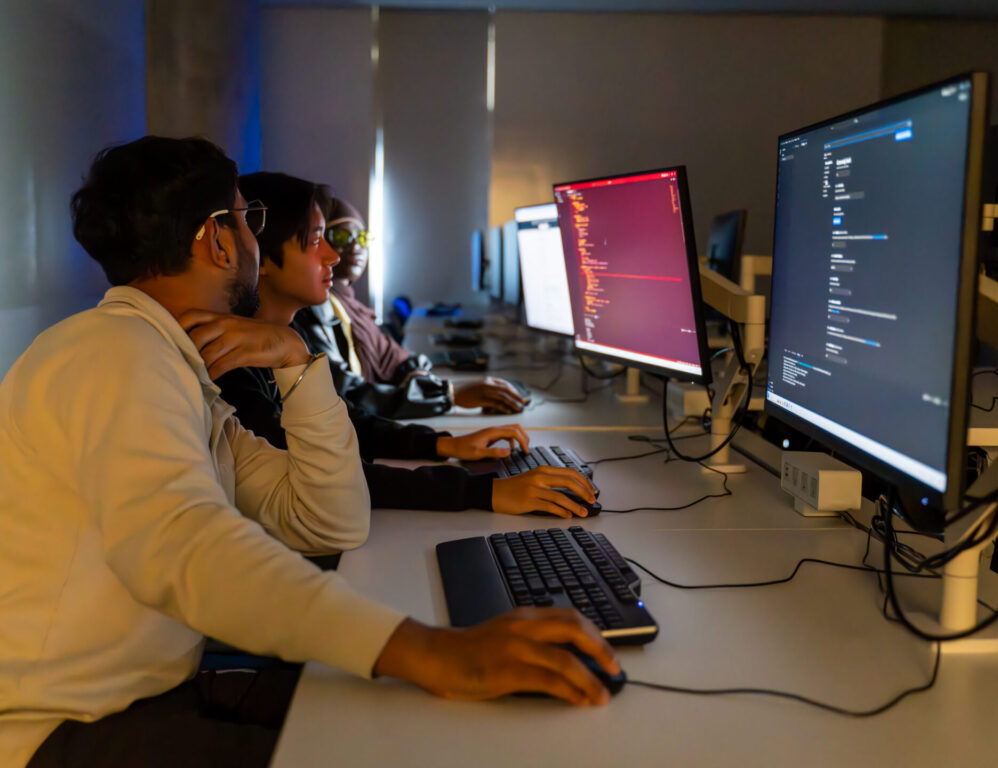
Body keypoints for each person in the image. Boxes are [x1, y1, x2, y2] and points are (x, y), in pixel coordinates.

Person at [0, 137, 619, 768]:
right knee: (415, 746)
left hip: (140, 699)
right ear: (216, 239)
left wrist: (299, 365)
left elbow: (330, 520)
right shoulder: (116, 357)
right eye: (249, 220)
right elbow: (189, 548)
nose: (253, 238)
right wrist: (430, 651)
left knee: (423, 726)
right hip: (61, 732)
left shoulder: (171, 368)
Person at [217, 171, 595, 519]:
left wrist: (443, 445)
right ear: (261, 256)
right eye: (316, 240)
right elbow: (327, 475)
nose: (332, 254)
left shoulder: (275, 347)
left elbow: (346, 420)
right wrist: (483, 491)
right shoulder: (235, 369)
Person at [294, 195, 528, 417]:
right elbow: (349, 396)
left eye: (362, 237)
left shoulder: (352, 307)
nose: (356, 246)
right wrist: (449, 395)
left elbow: (396, 358)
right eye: (341, 238)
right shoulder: (317, 310)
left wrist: (424, 380)